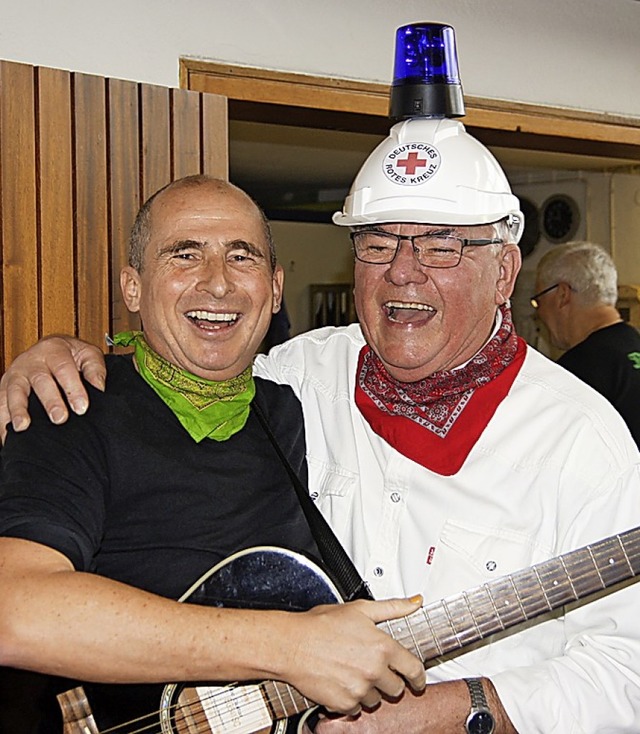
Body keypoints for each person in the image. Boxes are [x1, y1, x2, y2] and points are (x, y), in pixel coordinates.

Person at [3, 118, 640, 733]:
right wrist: (60, 351)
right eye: (378, 243)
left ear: (505, 273)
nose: (403, 270)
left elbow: (627, 676)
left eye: (442, 244)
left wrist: (457, 711)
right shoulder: (301, 379)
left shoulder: (583, 440)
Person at [0, 175, 426, 733]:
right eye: (184, 255)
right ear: (133, 287)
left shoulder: (307, 410)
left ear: (275, 290)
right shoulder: (73, 404)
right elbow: (15, 610)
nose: (217, 284)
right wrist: (288, 646)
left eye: (241, 257)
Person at [532, 240, 640, 446]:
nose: (539, 312)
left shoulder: (576, 375)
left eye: (538, 300)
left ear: (562, 294)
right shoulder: (634, 343)